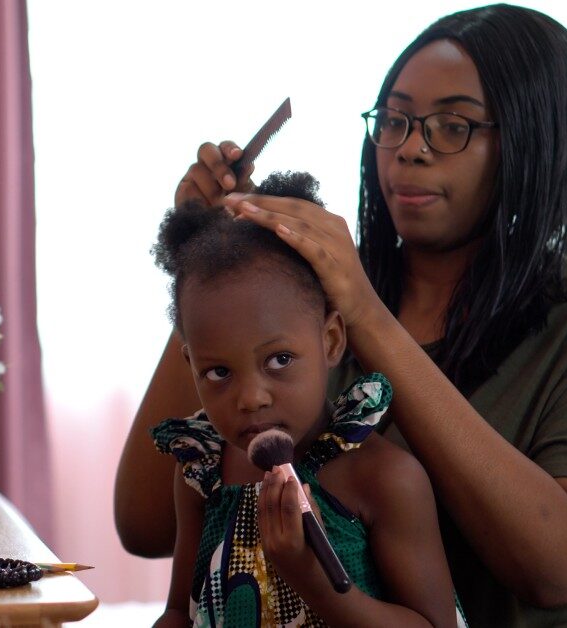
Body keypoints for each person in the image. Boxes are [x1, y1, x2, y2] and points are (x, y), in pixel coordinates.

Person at [115, 4, 567, 626]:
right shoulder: (310, 304)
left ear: (532, 142)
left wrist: (370, 318)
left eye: (452, 126)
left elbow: (556, 567)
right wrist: (208, 272)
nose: (409, 150)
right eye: (396, 120)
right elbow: (144, 526)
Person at [150, 171, 459, 627]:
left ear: (331, 341)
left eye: (279, 360)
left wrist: (311, 577)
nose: (251, 398)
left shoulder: (384, 478)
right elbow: (180, 612)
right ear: (190, 363)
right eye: (218, 372)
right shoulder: (204, 476)